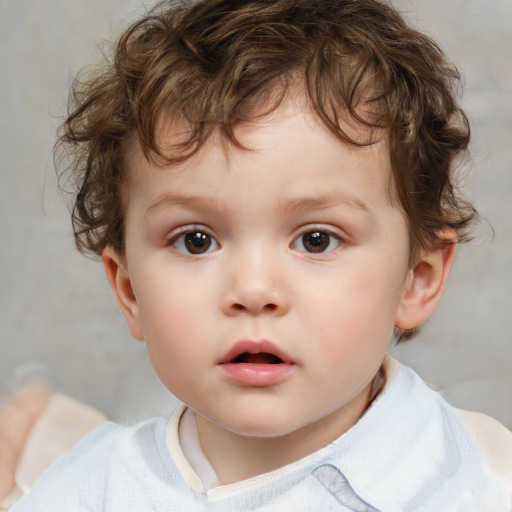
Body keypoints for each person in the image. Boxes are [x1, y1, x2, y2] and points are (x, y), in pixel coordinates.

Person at [9, 0, 512, 509]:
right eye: (195, 240)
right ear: (129, 290)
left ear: (417, 279)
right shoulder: (84, 493)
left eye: (316, 239)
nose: (252, 290)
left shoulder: (478, 481)